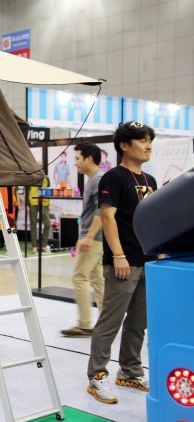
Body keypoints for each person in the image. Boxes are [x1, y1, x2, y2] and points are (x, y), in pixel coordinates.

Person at [87, 121, 157, 404]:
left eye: (150, 140)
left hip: (147, 259)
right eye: (142, 140)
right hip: (122, 260)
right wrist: (118, 255)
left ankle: (129, 371)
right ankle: (97, 376)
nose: (148, 145)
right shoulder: (113, 177)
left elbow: (151, 219)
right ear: (124, 146)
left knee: (139, 322)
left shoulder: (150, 180)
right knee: (111, 320)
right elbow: (108, 217)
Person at [61, 143, 105, 337]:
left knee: (79, 277)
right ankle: (105, 322)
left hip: (94, 238)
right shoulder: (94, 179)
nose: (75, 163)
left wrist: (88, 237)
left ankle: (85, 324)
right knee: (97, 280)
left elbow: (101, 211)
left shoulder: (98, 180)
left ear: (89, 158)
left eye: (78, 158)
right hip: (96, 238)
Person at [27, 166, 51, 253]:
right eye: (37, 166)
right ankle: (34, 246)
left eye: (40, 166)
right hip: (33, 202)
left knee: (47, 224)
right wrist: (27, 205)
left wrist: (48, 203)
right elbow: (27, 191)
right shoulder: (31, 177)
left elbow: (48, 189)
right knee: (33, 224)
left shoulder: (46, 178)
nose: (39, 168)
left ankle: (43, 245)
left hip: (44, 202)